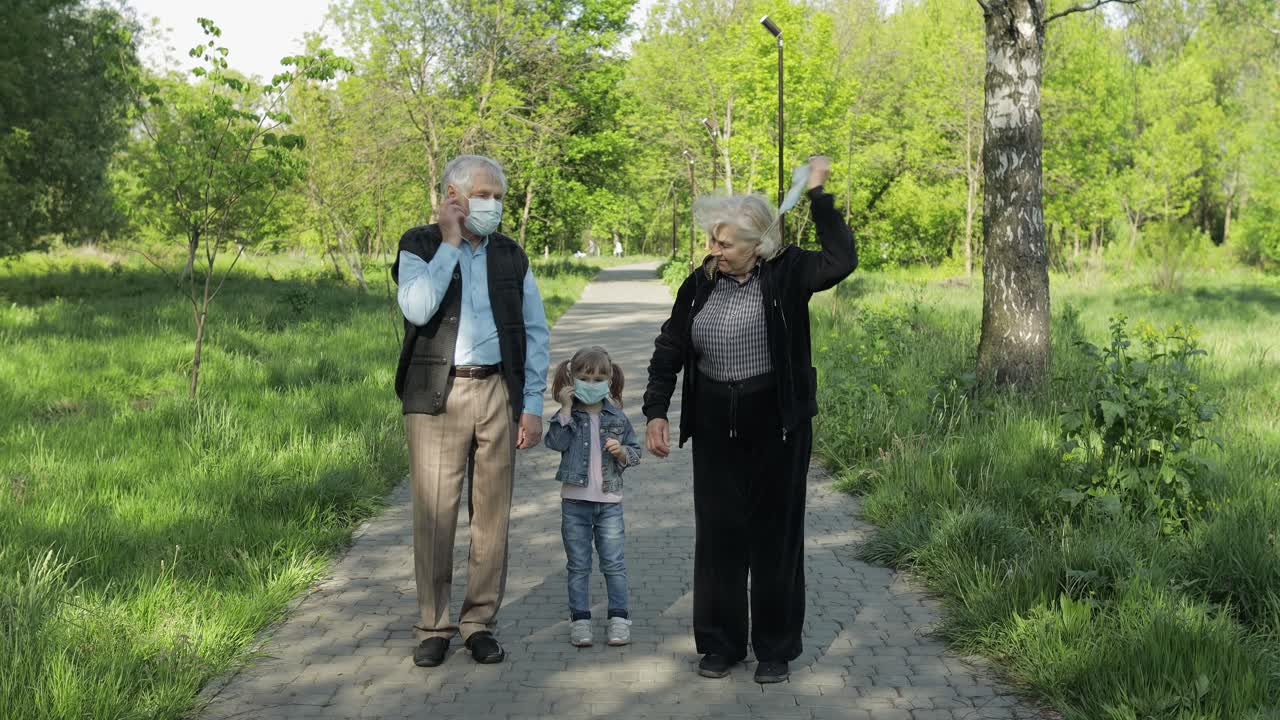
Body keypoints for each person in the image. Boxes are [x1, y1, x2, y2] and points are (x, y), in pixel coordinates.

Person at [641, 155, 857, 684]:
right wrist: (655, 410)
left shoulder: (790, 272)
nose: (713, 250)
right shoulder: (700, 283)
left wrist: (819, 195)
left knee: (775, 538)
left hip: (776, 425)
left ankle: (776, 649)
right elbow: (671, 345)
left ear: (756, 245)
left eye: (723, 243)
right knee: (718, 536)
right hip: (715, 424)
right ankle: (720, 644)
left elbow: (842, 258)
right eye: (713, 241)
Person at [392, 154, 550, 668]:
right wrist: (451, 243)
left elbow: (534, 332)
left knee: (493, 518)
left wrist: (531, 405)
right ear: (454, 197)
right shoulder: (418, 244)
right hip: (437, 397)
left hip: (496, 393)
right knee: (435, 516)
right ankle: (433, 626)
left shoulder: (511, 254)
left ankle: (479, 622)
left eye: (499, 197)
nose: (494, 206)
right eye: (485, 195)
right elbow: (417, 308)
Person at [545, 346, 641, 647]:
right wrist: (563, 409)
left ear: (610, 380)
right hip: (574, 504)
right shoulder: (568, 416)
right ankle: (581, 620)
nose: (592, 384)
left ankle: (619, 618)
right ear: (573, 379)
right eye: (586, 378)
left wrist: (623, 452)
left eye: (599, 378)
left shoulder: (617, 417)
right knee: (579, 565)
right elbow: (555, 443)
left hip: (610, 504)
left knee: (614, 564)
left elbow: (636, 451)